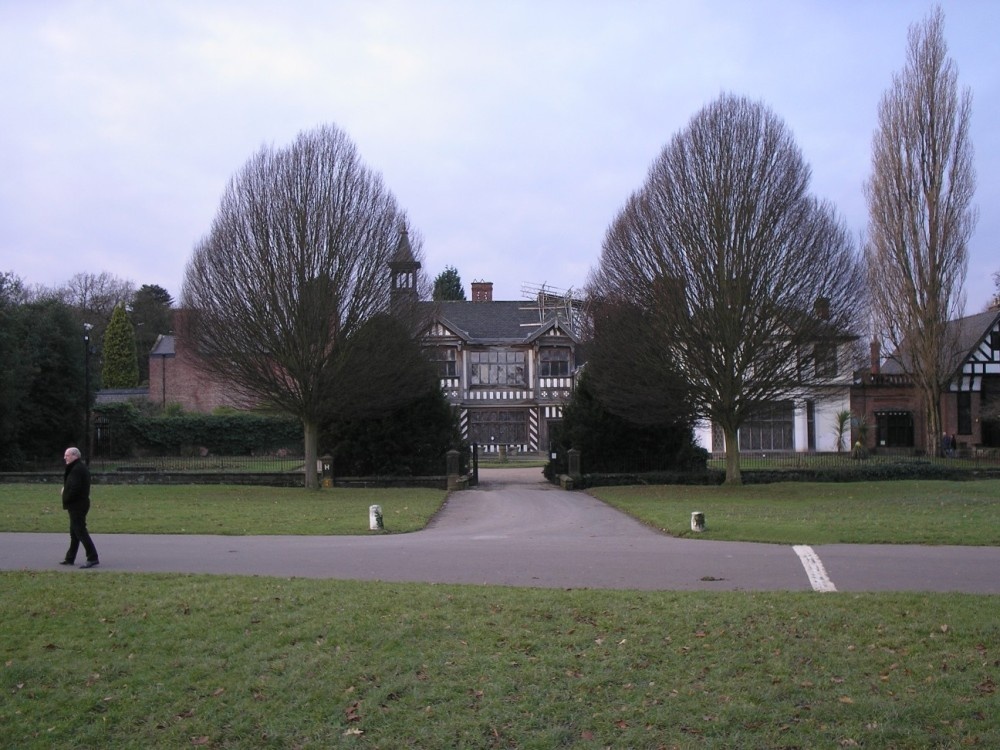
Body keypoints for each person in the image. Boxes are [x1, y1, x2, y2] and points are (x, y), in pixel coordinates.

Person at [60, 447, 99, 568]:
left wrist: (65, 494)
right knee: (74, 532)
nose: (65, 457)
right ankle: (70, 558)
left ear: (74, 456)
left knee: (80, 531)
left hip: (78, 505)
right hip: (78, 504)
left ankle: (92, 557)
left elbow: (75, 488)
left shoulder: (77, 469)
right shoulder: (77, 468)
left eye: (67, 455)